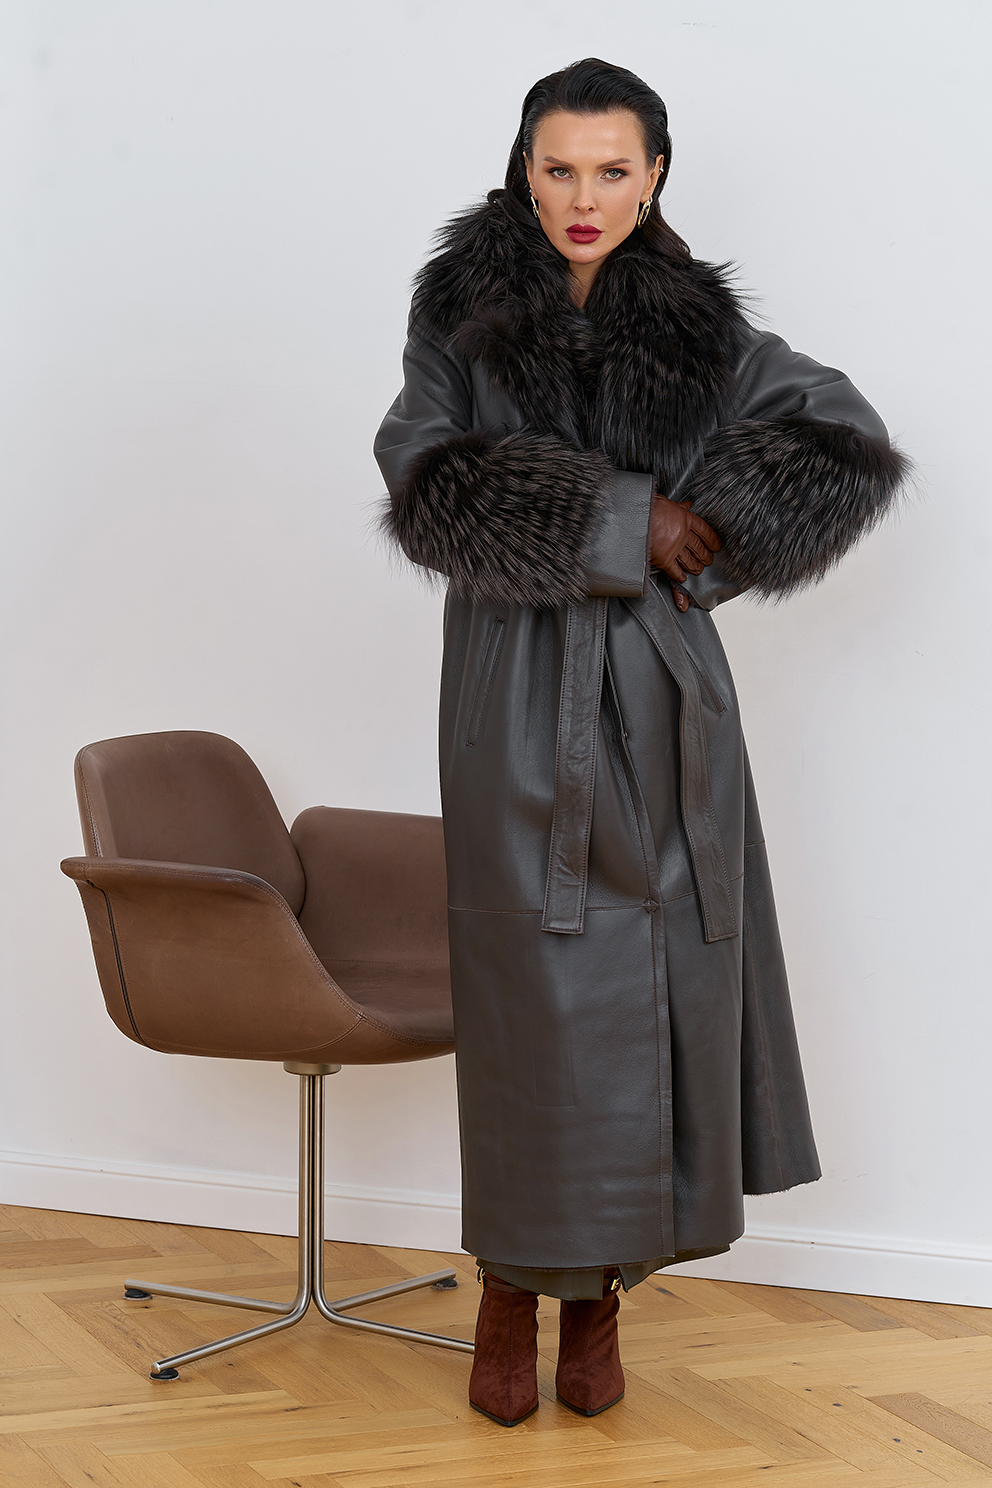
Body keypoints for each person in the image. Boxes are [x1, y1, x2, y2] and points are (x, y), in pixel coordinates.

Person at [374, 58, 907, 1427]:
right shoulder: (460, 311)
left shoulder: (698, 328)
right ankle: (510, 1285)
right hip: (513, 696)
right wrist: (624, 520)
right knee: (532, 1003)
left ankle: (602, 1301)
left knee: (654, 994)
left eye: (613, 170)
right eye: (560, 168)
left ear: (655, 175)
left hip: (667, 701)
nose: (585, 196)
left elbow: (842, 436)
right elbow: (422, 475)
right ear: (524, 169)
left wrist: (705, 542)